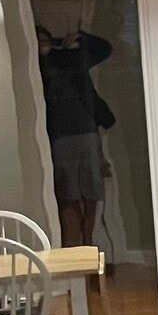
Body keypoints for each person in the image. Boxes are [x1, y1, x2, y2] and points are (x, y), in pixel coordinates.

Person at [37, 25, 115, 247]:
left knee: (91, 191)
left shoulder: (71, 59)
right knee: (68, 193)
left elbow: (104, 49)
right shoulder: (35, 66)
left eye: (45, 40)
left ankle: (88, 241)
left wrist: (79, 38)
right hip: (59, 137)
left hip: (87, 132)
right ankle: (73, 246)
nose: (43, 45)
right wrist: (43, 55)